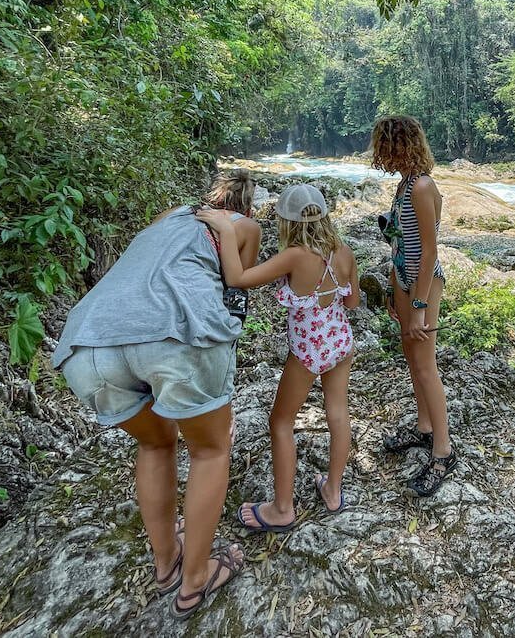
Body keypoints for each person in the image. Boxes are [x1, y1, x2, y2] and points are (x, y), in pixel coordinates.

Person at [52, 169, 261, 620]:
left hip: (88, 342)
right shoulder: (244, 227)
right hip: (175, 335)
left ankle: (166, 564)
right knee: (209, 451)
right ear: (246, 206)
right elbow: (236, 289)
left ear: (210, 196)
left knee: (155, 441)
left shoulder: (170, 215)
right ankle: (196, 579)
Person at [196, 182, 360, 531]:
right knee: (338, 413)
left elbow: (238, 277)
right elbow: (353, 302)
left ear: (285, 223)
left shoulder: (294, 255)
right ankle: (333, 491)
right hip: (340, 342)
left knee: (281, 421)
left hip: (307, 350)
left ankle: (282, 508)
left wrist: (226, 229)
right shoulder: (343, 252)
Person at [371, 115, 457, 496]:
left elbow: (428, 250)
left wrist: (419, 305)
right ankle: (424, 428)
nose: (381, 156)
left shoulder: (422, 187)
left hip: (424, 284)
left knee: (425, 364)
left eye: (384, 148)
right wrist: (393, 289)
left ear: (399, 146)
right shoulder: (404, 185)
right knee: (411, 356)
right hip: (405, 282)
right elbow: (397, 243)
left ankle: (443, 451)